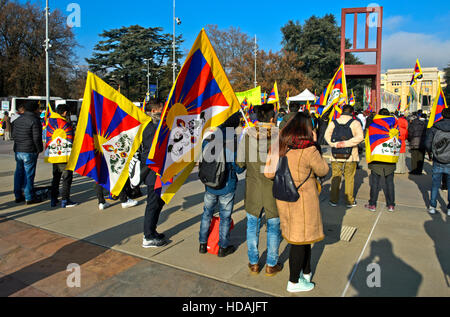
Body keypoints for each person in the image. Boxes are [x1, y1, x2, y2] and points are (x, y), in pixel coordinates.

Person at [265, 112, 329, 292]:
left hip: (284, 198)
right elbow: (323, 170)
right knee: (300, 241)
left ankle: (306, 272)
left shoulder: (278, 146)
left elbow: (268, 173)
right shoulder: (309, 149)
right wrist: (316, 144)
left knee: (302, 238)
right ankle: (293, 282)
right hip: (303, 200)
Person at [237, 103, 283, 276]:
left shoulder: (248, 135)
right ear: (272, 118)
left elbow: (240, 163)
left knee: (252, 226)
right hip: (273, 188)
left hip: (253, 187)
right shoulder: (279, 136)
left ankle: (254, 262)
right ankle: (271, 263)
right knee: (273, 226)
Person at [198, 112, 245, 257]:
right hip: (227, 184)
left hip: (210, 183)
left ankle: (202, 243)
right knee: (225, 216)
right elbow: (238, 168)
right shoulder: (232, 141)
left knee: (207, 213)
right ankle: (223, 246)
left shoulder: (209, 137)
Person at [324, 104, 364, 208]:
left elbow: (326, 136)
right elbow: (360, 137)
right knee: (349, 178)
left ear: (342, 111)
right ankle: (349, 200)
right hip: (350, 155)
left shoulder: (334, 122)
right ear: (352, 112)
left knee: (336, 177)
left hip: (335, 154)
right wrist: (346, 143)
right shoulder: (355, 123)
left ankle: (333, 200)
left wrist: (335, 144)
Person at [141, 101, 167, 248]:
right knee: (152, 205)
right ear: (153, 111)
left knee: (158, 204)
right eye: (160, 109)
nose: (163, 111)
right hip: (153, 174)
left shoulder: (157, 127)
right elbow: (152, 154)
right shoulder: (151, 129)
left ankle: (152, 231)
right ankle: (148, 237)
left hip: (159, 174)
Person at [365, 109, 399, 212]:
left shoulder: (373, 126)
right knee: (390, 182)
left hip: (376, 157)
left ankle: (372, 204)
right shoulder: (394, 126)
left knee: (375, 183)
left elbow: (367, 141)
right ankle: (391, 205)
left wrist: (369, 157)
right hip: (390, 158)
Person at [12, 101, 43, 205]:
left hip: (18, 149)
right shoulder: (34, 120)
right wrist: (39, 148)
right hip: (29, 150)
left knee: (19, 173)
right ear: (34, 109)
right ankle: (29, 197)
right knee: (29, 174)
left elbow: (14, 135)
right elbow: (37, 137)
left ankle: (17, 195)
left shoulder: (17, 120)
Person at [47, 104, 78, 208]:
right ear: (64, 112)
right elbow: (71, 139)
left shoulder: (50, 122)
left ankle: (53, 199)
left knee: (55, 178)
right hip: (65, 156)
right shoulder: (64, 124)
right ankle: (65, 200)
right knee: (66, 178)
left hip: (53, 155)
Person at [425, 107, 450, 216]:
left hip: (437, 159)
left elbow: (427, 143)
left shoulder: (435, 127)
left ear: (442, 115)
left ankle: (432, 206)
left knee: (435, 184)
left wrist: (431, 153)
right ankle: (449, 209)